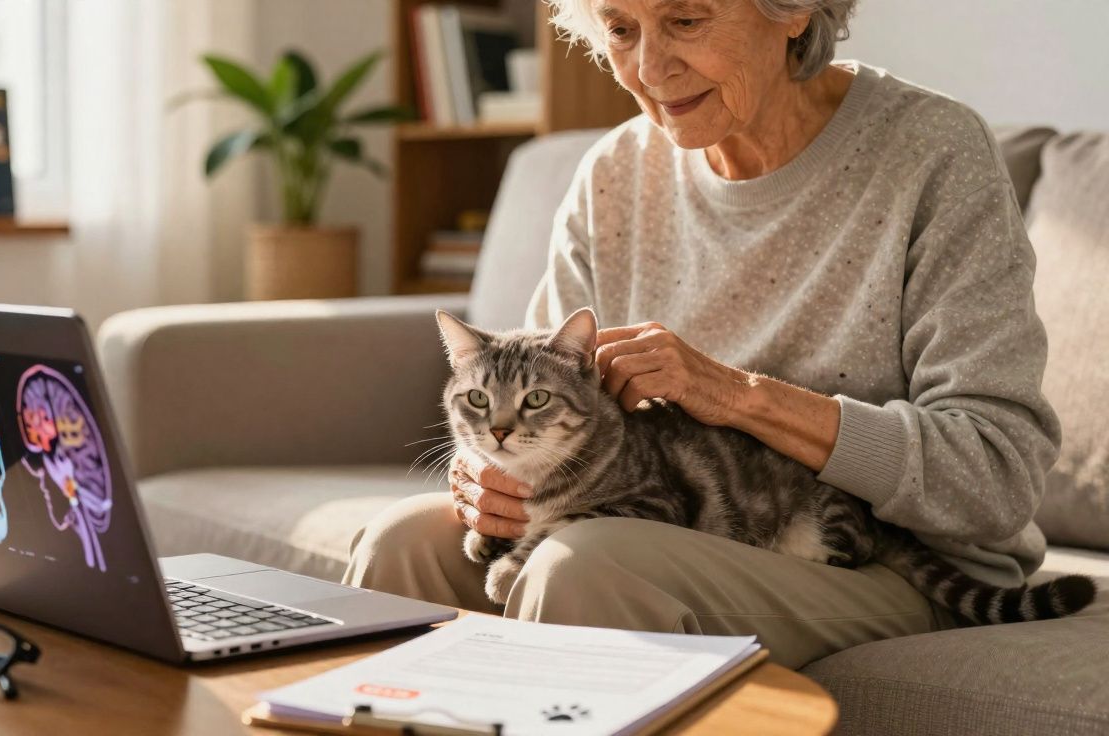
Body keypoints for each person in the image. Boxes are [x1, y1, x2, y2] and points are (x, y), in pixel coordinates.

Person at [344, 0, 1061, 668]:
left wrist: (739, 395)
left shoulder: (933, 151)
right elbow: (530, 396)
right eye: (621, 28)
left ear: (792, 12)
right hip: (669, 523)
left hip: (889, 559)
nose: (651, 69)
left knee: (587, 568)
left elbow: (995, 476)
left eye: (685, 20)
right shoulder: (614, 173)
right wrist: (487, 482)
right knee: (402, 543)